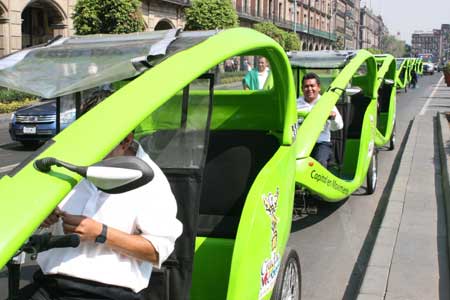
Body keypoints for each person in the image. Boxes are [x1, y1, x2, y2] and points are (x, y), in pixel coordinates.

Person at [17, 90, 183, 300]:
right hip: (50, 285)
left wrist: (101, 234)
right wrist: (43, 217)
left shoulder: (150, 181)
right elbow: (31, 211)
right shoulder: (67, 162)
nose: (88, 150)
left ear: (125, 141)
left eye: (98, 142)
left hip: (109, 293)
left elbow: (156, 251)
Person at [297, 72, 343, 169]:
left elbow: (339, 126)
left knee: (319, 163)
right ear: (302, 89)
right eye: (306, 86)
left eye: (312, 86)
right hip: (300, 143)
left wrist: (333, 117)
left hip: (321, 143)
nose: (309, 89)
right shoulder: (295, 104)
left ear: (318, 87)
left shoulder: (326, 103)